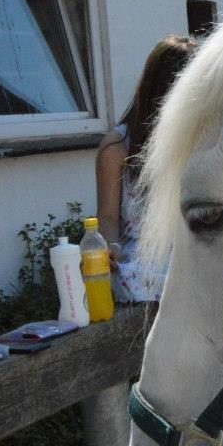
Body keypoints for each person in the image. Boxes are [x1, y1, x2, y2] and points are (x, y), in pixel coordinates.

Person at [95, 34, 197, 303]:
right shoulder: (117, 147)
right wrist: (110, 247)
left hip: (195, 257)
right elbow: (107, 216)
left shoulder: (205, 137)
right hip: (142, 267)